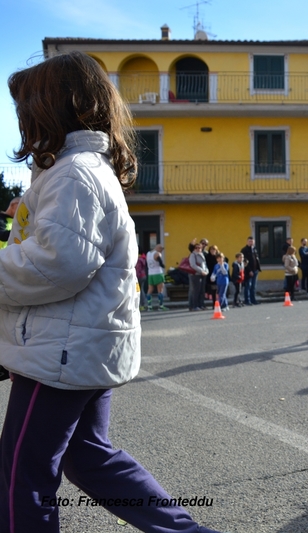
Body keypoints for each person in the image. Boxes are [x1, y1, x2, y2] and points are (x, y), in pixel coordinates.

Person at [0, 50, 221, 533]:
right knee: (87, 456)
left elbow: (56, 265)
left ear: (54, 107)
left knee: (23, 474)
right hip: (80, 345)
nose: (23, 123)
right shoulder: (78, 169)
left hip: (60, 351)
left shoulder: (75, 173)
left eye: (26, 111)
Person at [145, 244, 168, 311]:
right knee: (160, 290)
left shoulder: (148, 254)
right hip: (158, 273)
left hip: (150, 274)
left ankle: (149, 307)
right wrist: (164, 266)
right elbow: (160, 263)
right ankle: (160, 306)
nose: (161, 251)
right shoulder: (157, 254)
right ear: (159, 248)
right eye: (161, 249)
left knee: (149, 290)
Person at [240, 236, 261, 305]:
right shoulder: (244, 250)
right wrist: (249, 271)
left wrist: (258, 268)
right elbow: (244, 262)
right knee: (248, 285)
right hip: (248, 271)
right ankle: (247, 300)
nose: (251, 242)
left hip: (255, 270)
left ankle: (253, 300)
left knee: (253, 286)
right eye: (249, 241)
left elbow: (256, 259)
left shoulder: (254, 249)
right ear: (247, 242)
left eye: (252, 241)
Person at [189, 241, 208, 310]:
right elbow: (193, 265)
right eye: (196, 247)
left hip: (203, 274)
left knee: (202, 291)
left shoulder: (202, 254)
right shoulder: (193, 255)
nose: (198, 249)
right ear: (194, 248)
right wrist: (201, 271)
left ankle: (201, 305)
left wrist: (206, 271)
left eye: (199, 247)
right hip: (195, 275)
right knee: (196, 291)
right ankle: (195, 306)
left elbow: (204, 264)